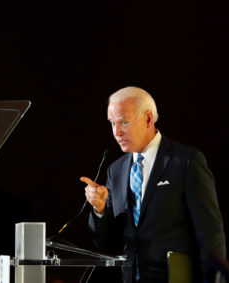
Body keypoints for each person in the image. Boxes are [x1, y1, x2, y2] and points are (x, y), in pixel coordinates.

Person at [81, 86, 226, 283]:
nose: (117, 132)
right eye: (112, 123)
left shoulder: (185, 161)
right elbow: (108, 242)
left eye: (124, 122)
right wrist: (99, 210)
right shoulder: (115, 170)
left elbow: (210, 233)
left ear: (148, 118)